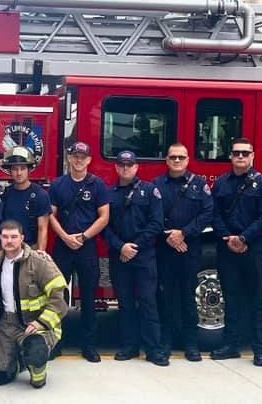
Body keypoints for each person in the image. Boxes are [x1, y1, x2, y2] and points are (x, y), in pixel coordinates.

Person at [209, 138, 262, 367]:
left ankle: (260, 350)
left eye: (245, 153)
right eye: (236, 153)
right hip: (227, 247)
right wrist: (228, 238)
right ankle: (231, 345)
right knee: (231, 299)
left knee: (257, 301)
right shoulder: (221, 183)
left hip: (253, 249)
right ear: (230, 156)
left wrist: (244, 238)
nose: (240, 157)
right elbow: (214, 214)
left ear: (252, 156)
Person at [0, 220, 67, 388]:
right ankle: (18, 362)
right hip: (4, 325)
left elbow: (59, 297)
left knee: (36, 350)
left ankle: (38, 373)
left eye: (14, 236)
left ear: (22, 238)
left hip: (33, 324)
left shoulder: (40, 262)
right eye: (5, 237)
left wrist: (40, 322)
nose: (9, 241)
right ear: (0, 238)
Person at [103, 151, 169, 366]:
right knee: (125, 303)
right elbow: (104, 227)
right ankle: (129, 347)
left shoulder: (150, 191)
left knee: (148, 302)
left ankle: (153, 350)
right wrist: (121, 246)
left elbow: (156, 223)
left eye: (129, 165)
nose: (125, 168)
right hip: (119, 256)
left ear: (136, 167)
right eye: (121, 165)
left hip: (144, 256)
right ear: (116, 167)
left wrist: (135, 246)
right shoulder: (109, 194)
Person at [48, 141, 110, 362]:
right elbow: (50, 215)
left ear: (89, 160)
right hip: (63, 246)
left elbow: (104, 217)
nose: (78, 160)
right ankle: (55, 344)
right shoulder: (58, 185)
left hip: (87, 246)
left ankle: (89, 346)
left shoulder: (98, 185)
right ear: (69, 158)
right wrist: (65, 237)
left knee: (89, 297)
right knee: (57, 296)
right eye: (75, 156)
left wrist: (83, 237)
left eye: (82, 157)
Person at [153, 144, 213, 362]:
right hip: (165, 249)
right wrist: (170, 236)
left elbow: (207, 213)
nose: (177, 161)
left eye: (181, 157)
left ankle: (191, 345)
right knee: (165, 298)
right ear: (167, 161)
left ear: (188, 160)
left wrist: (184, 233)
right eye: (173, 157)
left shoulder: (199, 184)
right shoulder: (157, 185)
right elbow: (152, 215)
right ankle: (165, 344)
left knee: (189, 297)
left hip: (190, 249)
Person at [0, 146, 51, 250]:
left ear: (29, 169)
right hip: (8, 249)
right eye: (15, 169)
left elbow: (42, 229)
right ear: (10, 171)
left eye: (23, 168)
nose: (19, 173)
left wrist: (40, 254)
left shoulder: (40, 195)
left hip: (30, 249)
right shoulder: (5, 194)